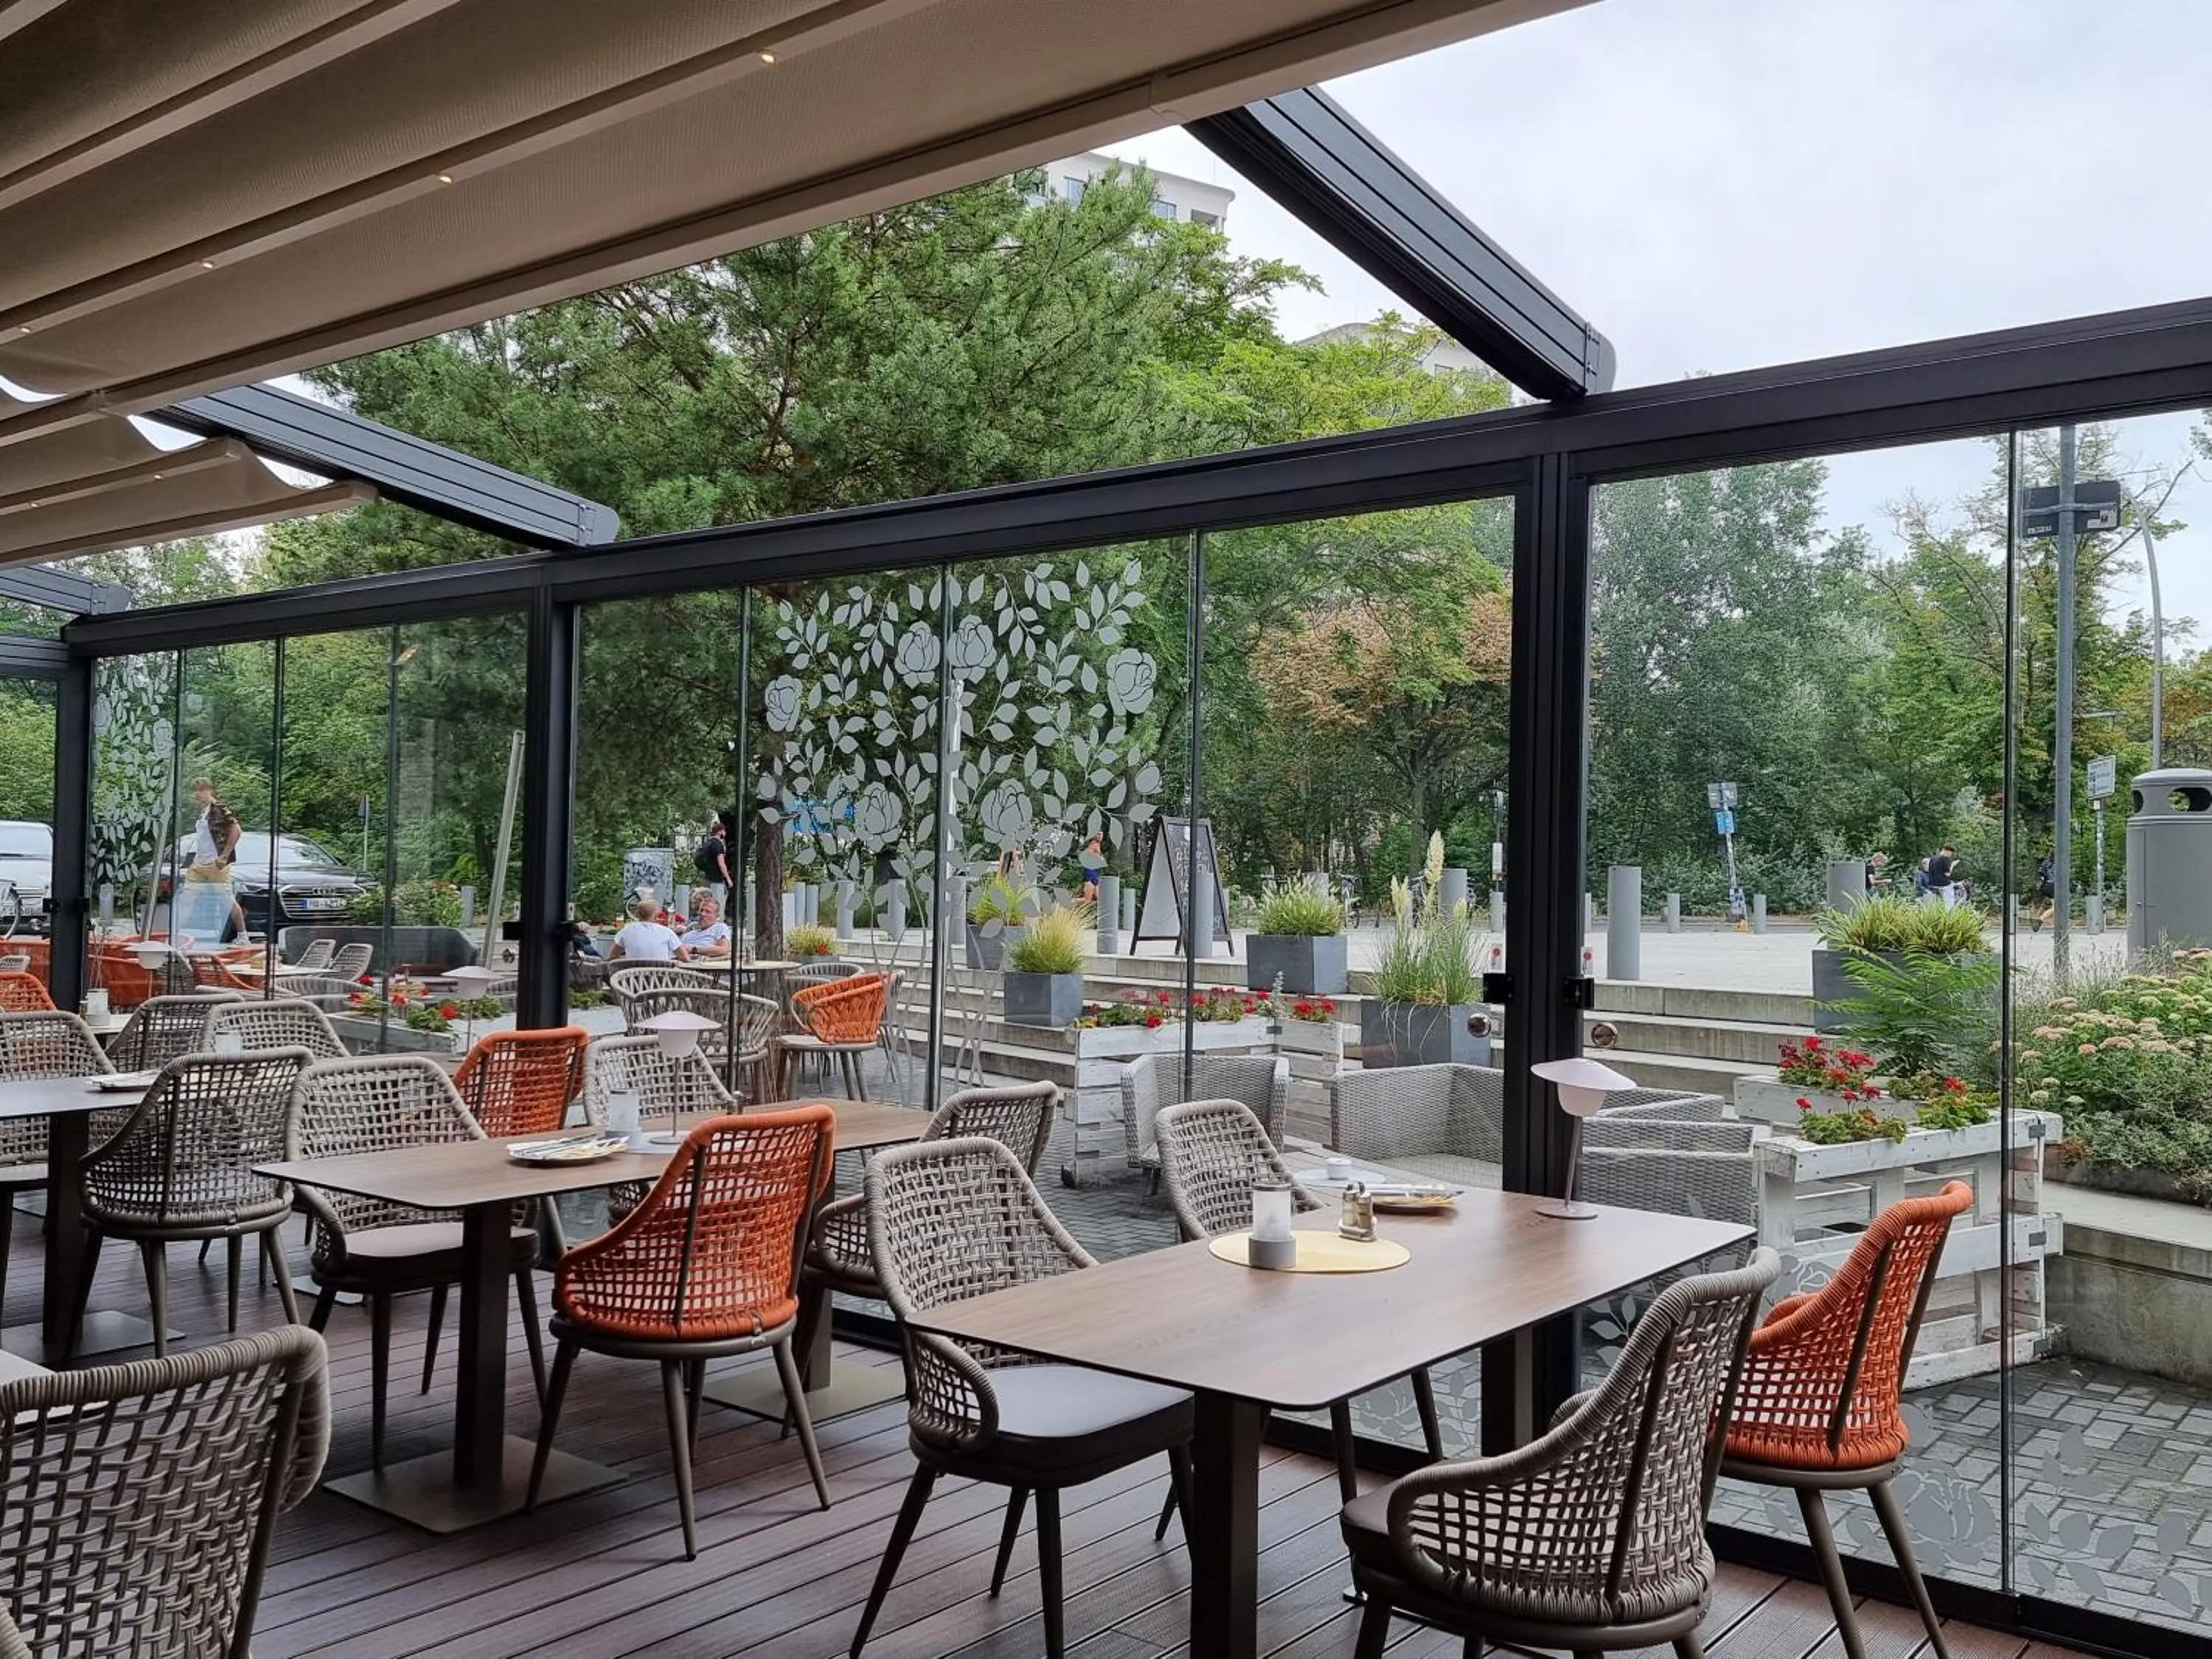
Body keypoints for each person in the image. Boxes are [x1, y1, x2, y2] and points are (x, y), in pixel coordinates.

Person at [181, 775, 246, 943]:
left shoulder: (218, 809)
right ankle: (177, 935)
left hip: (215, 864)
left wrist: (224, 856)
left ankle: (242, 935)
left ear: (210, 790)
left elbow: (236, 830)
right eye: (196, 791)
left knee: (227, 900)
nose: (198, 794)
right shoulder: (203, 812)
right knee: (187, 898)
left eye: (202, 790)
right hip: (199, 864)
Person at [608, 894, 681, 962]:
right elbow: (685, 958)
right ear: (656, 915)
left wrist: (626, 959)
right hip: (660, 974)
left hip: (632, 974)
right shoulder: (667, 932)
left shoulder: (626, 931)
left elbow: (612, 956)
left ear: (637, 915)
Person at [678, 892, 733, 961]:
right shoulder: (688, 935)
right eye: (701, 910)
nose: (703, 914)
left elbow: (723, 949)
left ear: (717, 916)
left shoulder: (720, 927)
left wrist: (694, 949)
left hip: (704, 965)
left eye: (708, 911)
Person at [693, 812, 731, 900]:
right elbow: (721, 863)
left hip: (706, 878)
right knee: (720, 900)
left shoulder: (707, 843)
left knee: (707, 900)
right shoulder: (718, 845)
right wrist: (728, 878)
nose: (725, 833)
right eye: (724, 831)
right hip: (716, 879)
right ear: (720, 831)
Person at [1926, 844, 1959, 908]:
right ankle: (1950, 912)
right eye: (1949, 853)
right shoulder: (1945, 859)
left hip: (1933, 884)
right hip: (1943, 885)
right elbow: (1948, 874)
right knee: (1950, 902)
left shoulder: (1933, 858)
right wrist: (1953, 865)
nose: (1949, 855)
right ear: (1944, 850)